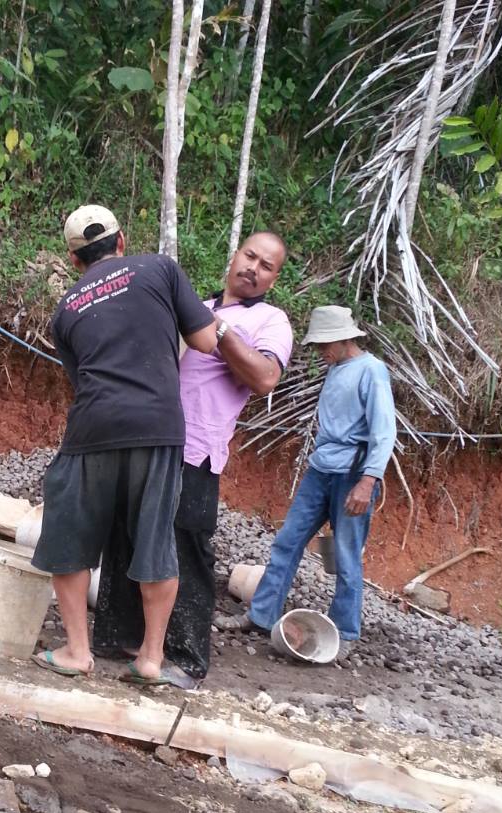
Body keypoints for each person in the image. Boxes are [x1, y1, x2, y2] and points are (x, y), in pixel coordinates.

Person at [30, 205, 218, 685]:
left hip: (94, 426)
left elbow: (81, 380)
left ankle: (77, 651)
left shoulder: (66, 308)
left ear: (74, 261)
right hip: (158, 425)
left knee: (67, 535)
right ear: (121, 241)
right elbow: (205, 341)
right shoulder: (159, 268)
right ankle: (151, 658)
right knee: (156, 540)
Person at [93, 232, 292, 683]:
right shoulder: (196, 304)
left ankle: (184, 658)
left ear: (274, 278)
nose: (253, 268)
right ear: (234, 253)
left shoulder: (270, 321)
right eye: (249, 256)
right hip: (146, 437)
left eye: (266, 265)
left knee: (185, 545)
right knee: (126, 535)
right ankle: (124, 638)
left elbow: (263, 378)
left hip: (197, 449)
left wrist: (219, 330)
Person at [247, 305, 397, 660]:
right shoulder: (337, 368)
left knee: (346, 555)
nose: (321, 352)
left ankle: (344, 632)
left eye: (326, 344)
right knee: (288, 540)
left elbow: (383, 432)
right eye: (318, 345)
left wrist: (367, 481)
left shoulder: (372, 371)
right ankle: (261, 615)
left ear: (346, 338)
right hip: (321, 469)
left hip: (352, 473)